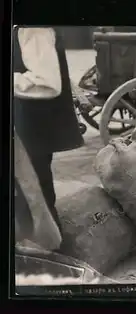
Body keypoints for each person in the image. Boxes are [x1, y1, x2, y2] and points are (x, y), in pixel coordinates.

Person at [13, 27, 84, 236]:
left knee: (33, 197)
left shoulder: (34, 29)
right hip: (27, 124)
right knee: (32, 193)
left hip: (31, 126)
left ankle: (46, 255)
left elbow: (47, 83)